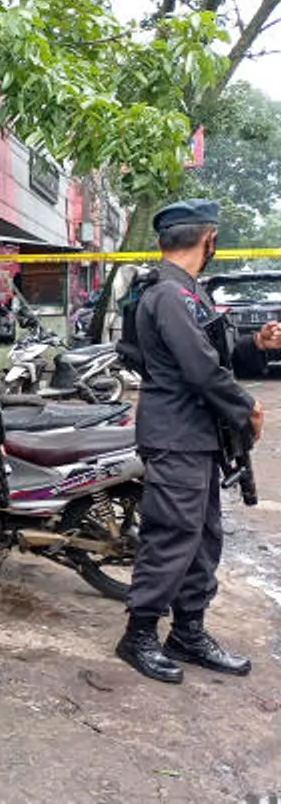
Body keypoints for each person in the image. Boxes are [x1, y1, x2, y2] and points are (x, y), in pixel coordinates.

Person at [114, 199, 281, 683]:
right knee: (170, 537)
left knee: (202, 538)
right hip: (176, 435)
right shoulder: (169, 293)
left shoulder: (188, 292)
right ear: (208, 238)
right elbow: (200, 370)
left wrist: (255, 347)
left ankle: (188, 631)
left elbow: (215, 356)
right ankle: (139, 635)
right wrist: (246, 406)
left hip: (197, 436)